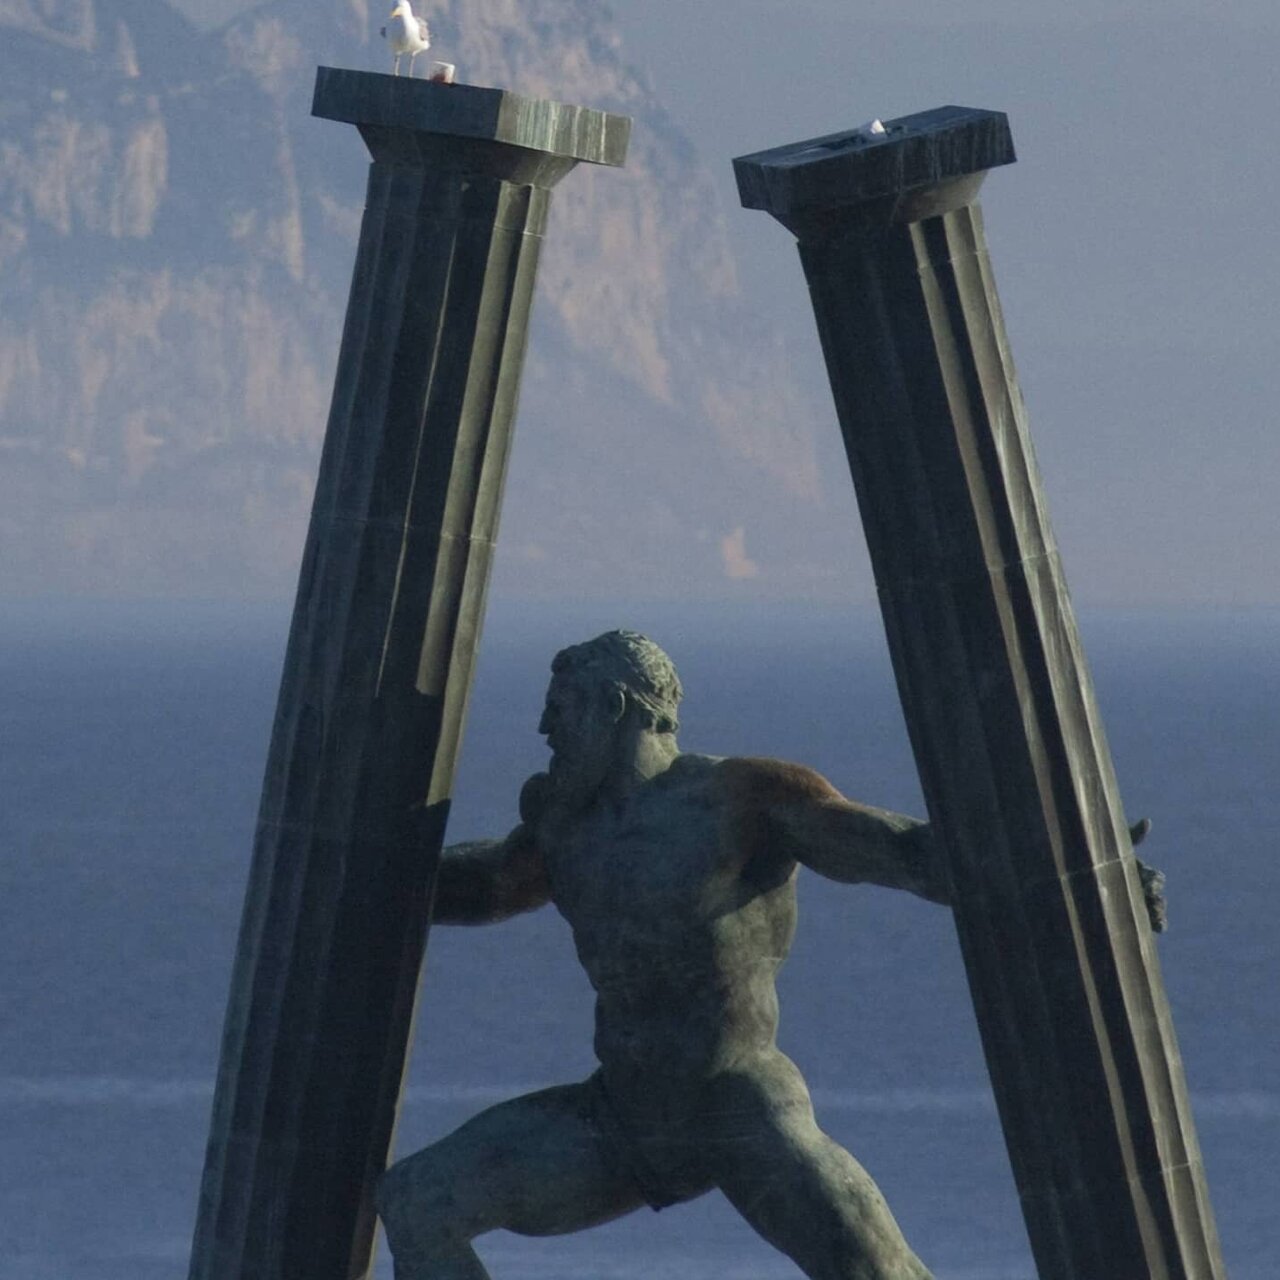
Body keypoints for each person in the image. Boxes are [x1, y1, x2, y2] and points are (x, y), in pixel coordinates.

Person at [376, 630, 1161, 1280]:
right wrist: (348, 874)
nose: (544, 732)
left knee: (874, 1272)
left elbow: (908, 855)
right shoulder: (564, 825)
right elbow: (485, 889)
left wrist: (1082, 874)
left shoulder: (739, 800)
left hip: (735, 1102)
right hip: (623, 1116)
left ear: (614, 707)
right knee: (418, 1203)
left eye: (559, 712)